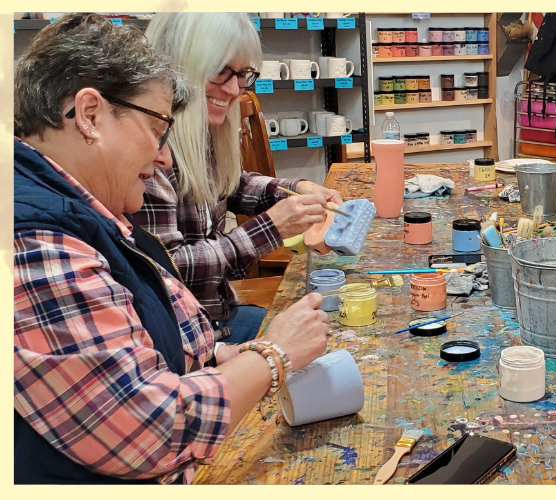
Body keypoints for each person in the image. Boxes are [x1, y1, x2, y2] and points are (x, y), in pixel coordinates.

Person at [14, 13, 329, 484]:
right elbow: (153, 430)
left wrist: (217, 360)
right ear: (90, 115)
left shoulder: (86, 210)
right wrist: (273, 355)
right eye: (159, 128)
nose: (164, 157)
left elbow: (153, 340)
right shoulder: (38, 244)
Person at [135, 13, 343, 345]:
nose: (234, 89)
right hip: (185, 340)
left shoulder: (202, 132)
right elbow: (168, 270)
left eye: (243, 74)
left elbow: (234, 185)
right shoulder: (148, 153)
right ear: (180, 67)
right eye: (221, 72)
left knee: (330, 335)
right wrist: (270, 230)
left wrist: (294, 189)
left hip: (217, 315)